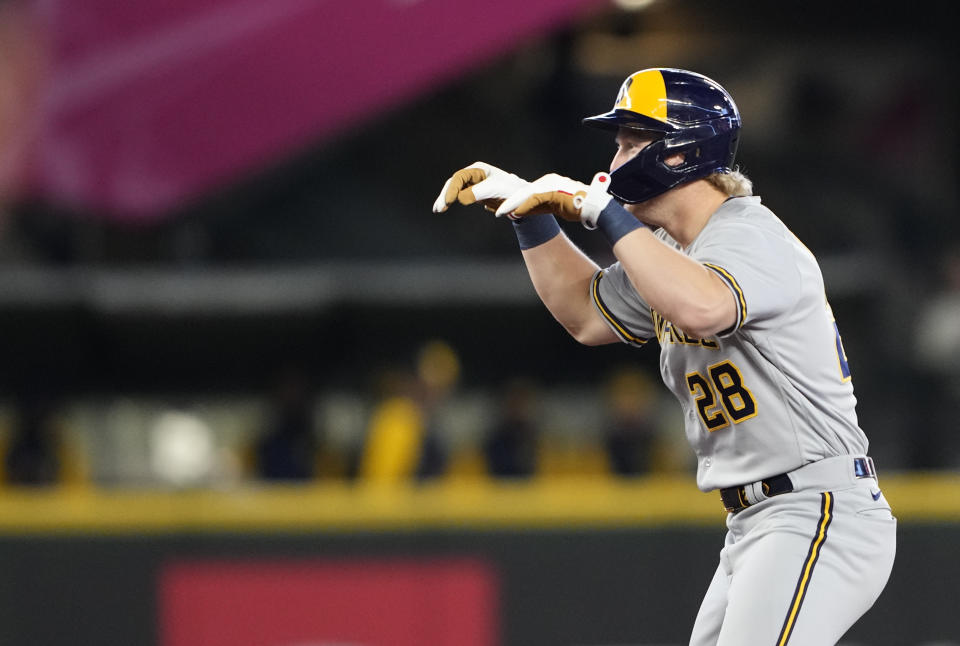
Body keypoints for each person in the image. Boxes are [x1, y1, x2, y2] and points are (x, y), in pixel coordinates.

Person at [433, 68, 896, 645]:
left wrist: (605, 213)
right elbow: (585, 312)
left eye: (632, 141)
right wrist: (530, 216)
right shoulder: (673, 252)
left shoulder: (749, 233)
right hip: (758, 520)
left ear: (680, 152)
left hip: (818, 509)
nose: (617, 156)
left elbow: (704, 306)